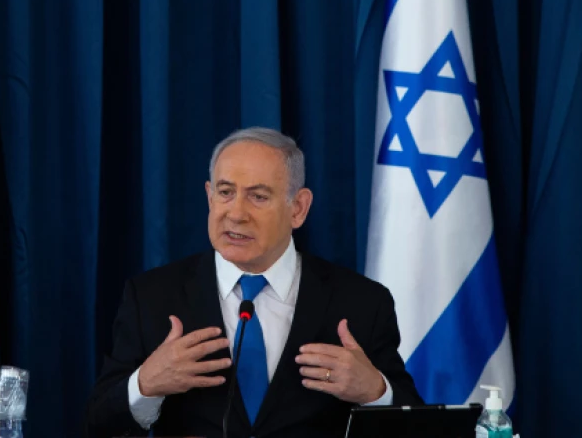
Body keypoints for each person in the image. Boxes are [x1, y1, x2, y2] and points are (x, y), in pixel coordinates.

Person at [87, 127, 422, 437]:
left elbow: (421, 427)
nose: (236, 213)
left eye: (258, 197)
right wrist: (145, 385)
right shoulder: (152, 298)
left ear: (299, 209)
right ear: (209, 197)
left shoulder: (362, 302)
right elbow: (98, 425)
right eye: (225, 192)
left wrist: (375, 392)